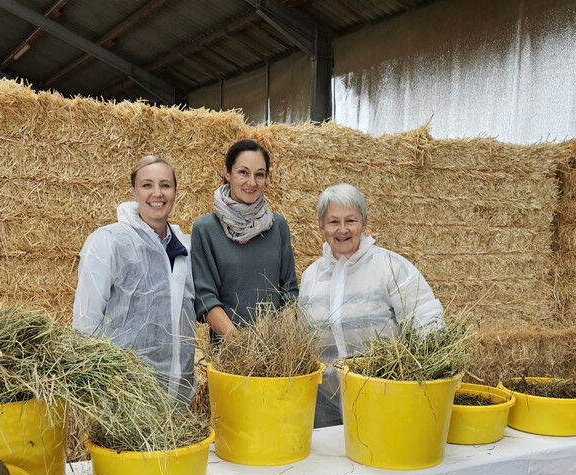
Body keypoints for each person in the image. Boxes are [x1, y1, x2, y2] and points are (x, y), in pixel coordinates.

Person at [298, 183, 445, 428]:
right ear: (321, 226)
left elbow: (425, 315)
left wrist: (434, 368)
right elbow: (303, 336)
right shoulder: (312, 276)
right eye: (333, 222)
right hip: (325, 402)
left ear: (364, 224)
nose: (342, 230)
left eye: (351, 221)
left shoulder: (390, 266)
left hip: (382, 393)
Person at [72, 155, 195, 402]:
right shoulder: (110, 241)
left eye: (165, 185)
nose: (157, 193)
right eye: (147, 185)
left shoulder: (186, 249)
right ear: (134, 192)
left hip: (178, 397)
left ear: (175, 192)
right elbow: (86, 319)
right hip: (123, 395)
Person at [190, 139, 298, 338]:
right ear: (227, 173)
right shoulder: (206, 229)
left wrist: (285, 342)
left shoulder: (277, 226)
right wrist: (241, 345)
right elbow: (205, 298)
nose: (252, 182)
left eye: (259, 174)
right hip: (229, 350)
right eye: (243, 172)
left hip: (276, 349)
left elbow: (289, 292)